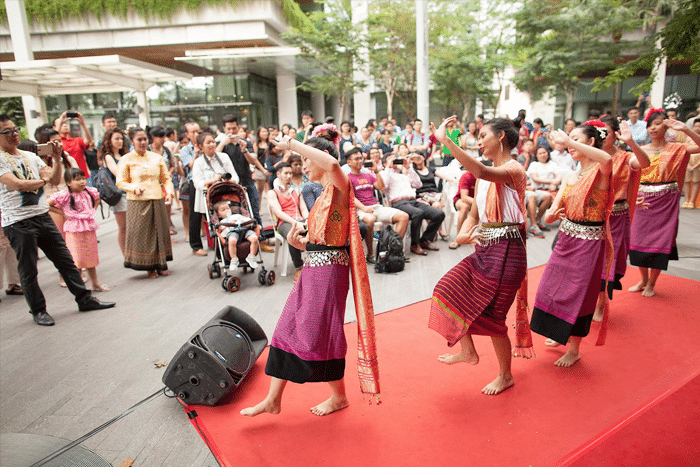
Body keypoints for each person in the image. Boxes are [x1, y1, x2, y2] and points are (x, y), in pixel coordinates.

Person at [241, 134, 379, 417]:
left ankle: (339, 397)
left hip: (329, 274)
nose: (302, 166)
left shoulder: (339, 186)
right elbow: (323, 241)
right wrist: (298, 244)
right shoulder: (322, 194)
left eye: (306, 159)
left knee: (320, 335)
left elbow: (330, 162)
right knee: (287, 328)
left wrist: (292, 143)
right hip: (314, 269)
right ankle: (273, 399)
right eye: (301, 159)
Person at [429, 116, 532, 395]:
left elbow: (481, 172)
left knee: (495, 318)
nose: (479, 141)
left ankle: (505, 375)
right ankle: (469, 351)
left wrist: (447, 142)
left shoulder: (513, 170)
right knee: (448, 289)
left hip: (508, 252)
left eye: (484, 135)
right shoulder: (484, 174)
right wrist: (462, 234)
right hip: (485, 248)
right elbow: (474, 214)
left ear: (500, 137)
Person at [0, 114, 115, 325]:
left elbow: (53, 179)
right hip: (18, 222)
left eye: (15, 129)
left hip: (41, 216)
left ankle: (84, 299)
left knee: (66, 261)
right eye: (7, 132)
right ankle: (38, 310)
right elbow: (16, 184)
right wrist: (43, 179)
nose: (14, 134)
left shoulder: (29, 156)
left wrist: (58, 158)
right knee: (28, 269)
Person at [530, 122, 613, 367]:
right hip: (565, 239)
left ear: (589, 143)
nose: (568, 143)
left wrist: (567, 141)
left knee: (579, 294)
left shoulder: (600, 171)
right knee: (550, 287)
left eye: (575, 139)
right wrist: (555, 213)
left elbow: (608, 158)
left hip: (588, 243)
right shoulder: (570, 175)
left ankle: (574, 349)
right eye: (568, 139)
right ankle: (558, 333)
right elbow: (549, 217)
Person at [628, 110, 700, 297]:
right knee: (638, 240)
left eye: (658, 123)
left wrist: (687, 130)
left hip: (666, 202)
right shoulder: (642, 150)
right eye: (650, 124)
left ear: (667, 126)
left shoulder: (677, 147)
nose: (653, 127)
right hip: (643, 201)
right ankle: (643, 279)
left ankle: (652, 283)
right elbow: (630, 176)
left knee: (661, 242)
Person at [591, 116, 650, 322]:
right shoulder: (590, 155)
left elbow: (644, 163)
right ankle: (588, 303)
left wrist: (631, 142)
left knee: (608, 263)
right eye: (598, 131)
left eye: (605, 131)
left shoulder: (625, 157)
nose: (601, 136)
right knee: (590, 263)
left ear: (616, 134)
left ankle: (601, 304)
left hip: (615, 218)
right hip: (591, 217)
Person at [116, 127, 173, 278]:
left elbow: (166, 178)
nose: (142, 142)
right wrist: (134, 187)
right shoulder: (126, 159)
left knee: (159, 232)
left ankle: (161, 264)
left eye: (144, 139)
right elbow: (120, 182)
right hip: (138, 201)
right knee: (144, 235)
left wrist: (170, 192)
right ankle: (149, 267)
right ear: (132, 141)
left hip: (157, 198)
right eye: (138, 139)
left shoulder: (156, 157)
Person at [48, 168, 108, 291]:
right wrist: (62, 213)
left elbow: (97, 199)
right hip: (74, 230)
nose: (82, 182)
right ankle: (78, 287)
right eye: (77, 180)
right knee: (76, 258)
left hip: (88, 228)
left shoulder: (89, 192)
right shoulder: (65, 195)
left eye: (83, 178)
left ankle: (94, 283)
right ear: (69, 182)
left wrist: (92, 210)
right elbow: (47, 204)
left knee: (90, 257)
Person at [345, 148, 409, 261]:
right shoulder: (348, 178)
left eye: (361, 158)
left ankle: (392, 249)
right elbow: (351, 197)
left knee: (404, 217)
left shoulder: (368, 175)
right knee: (369, 220)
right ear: (349, 162)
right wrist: (364, 208)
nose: (360, 161)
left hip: (376, 207)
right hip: (360, 209)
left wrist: (376, 171)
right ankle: (371, 254)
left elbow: (382, 188)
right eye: (356, 159)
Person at [381, 153, 445, 255]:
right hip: (398, 202)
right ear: (384, 163)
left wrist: (409, 168)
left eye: (395, 158)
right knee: (418, 213)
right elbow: (383, 185)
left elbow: (418, 184)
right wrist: (388, 167)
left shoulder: (403, 175)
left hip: (413, 201)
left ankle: (425, 240)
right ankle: (414, 244)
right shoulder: (384, 174)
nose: (394, 160)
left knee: (439, 214)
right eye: (391, 159)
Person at [216, 116, 268, 228]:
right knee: (233, 215)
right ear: (224, 128)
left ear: (238, 127)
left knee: (254, 212)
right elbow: (215, 159)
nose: (231, 131)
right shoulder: (220, 144)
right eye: (228, 128)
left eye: (234, 128)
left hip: (247, 182)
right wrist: (222, 144)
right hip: (229, 186)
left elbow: (253, 162)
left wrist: (244, 150)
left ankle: (261, 239)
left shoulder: (245, 143)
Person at [191, 131, 238, 248]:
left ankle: (230, 247)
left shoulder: (224, 157)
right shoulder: (198, 162)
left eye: (213, 141)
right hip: (208, 199)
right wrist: (212, 180)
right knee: (215, 225)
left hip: (226, 196)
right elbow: (197, 183)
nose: (212, 145)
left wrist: (229, 181)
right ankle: (219, 249)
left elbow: (235, 176)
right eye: (208, 143)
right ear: (201, 146)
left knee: (230, 221)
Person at [267, 162, 307, 281]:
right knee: (292, 233)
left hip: (300, 220)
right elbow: (279, 213)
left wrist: (309, 219)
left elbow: (304, 209)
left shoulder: (296, 191)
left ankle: (316, 262)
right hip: (284, 223)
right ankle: (299, 267)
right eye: (286, 173)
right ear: (278, 174)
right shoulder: (272, 193)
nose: (289, 176)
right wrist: (295, 223)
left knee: (317, 228)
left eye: (290, 173)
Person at [98, 128, 129, 255]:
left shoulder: (124, 155)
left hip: (130, 193)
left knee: (131, 226)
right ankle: (125, 254)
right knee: (123, 227)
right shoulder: (108, 157)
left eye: (121, 138)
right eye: (116, 138)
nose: (120, 141)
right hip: (119, 194)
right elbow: (117, 173)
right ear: (109, 141)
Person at [148, 125, 178, 239]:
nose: (162, 139)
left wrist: (168, 173)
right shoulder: (147, 150)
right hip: (152, 183)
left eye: (163, 137)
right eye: (160, 137)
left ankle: (167, 228)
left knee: (167, 206)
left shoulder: (166, 150)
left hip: (166, 182)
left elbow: (172, 166)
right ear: (153, 137)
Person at [411, 152, 448, 240]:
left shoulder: (431, 169)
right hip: (420, 195)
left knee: (437, 206)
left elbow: (443, 176)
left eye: (419, 157)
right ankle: (432, 231)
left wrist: (454, 180)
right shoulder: (413, 171)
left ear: (424, 158)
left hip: (433, 194)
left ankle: (439, 230)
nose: (418, 159)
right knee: (427, 207)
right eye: (415, 158)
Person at [215, 201, 260, 270]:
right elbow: (221, 230)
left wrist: (249, 222)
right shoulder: (222, 222)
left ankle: (251, 256)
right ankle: (234, 259)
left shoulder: (237, 215)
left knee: (254, 238)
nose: (226, 211)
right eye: (223, 210)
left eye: (228, 208)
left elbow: (247, 220)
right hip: (233, 232)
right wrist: (228, 225)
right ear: (218, 215)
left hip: (245, 230)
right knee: (232, 240)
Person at [178, 122, 201, 247]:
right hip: (192, 183)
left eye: (198, 131)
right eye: (193, 132)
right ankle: (195, 245)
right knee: (193, 214)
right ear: (187, 134)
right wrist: (197, 153)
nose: (196, 134)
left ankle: (213, 241)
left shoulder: (207, 144)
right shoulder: (185, 150)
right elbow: (191, 165)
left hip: (208, 182)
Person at [54, 111, 93, 177]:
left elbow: (88, 140)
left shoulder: (77, 140)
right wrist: (60, 121)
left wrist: (82, 124)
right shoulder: (57, 142)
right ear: (54, 127)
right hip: (66, 176)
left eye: (66, 123)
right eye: (62, 123)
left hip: (82, 175)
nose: (65, 125)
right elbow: (53, 139)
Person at [448, 169, 476, 250]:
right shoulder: (467, 176)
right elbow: (464, 197)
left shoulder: (484, 177)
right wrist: (479, 202)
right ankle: (459, 236)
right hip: (460, 200)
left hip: (475, 201)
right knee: (465, 206)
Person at [682, 119, 700, 208]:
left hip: (697, 164)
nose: (697, 128)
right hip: (689, 163)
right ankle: (686, 200)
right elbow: (684, 151)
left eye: (699, 126)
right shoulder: (688, 138)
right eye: (696, 126)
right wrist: (688, 164)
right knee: (686, 181)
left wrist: (696, 165)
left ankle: (692, 201)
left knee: (696, 182)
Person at [252, 125, 272, 198]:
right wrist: (263, 170)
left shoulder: (270, 144)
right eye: (263, 132)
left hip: (270, 169)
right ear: (259, 133)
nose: (265, 133)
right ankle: (259, 209)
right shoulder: (256, 144)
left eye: (266, 131)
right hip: (260, 170)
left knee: (271, 191)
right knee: (259, 192)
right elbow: (255, 159)